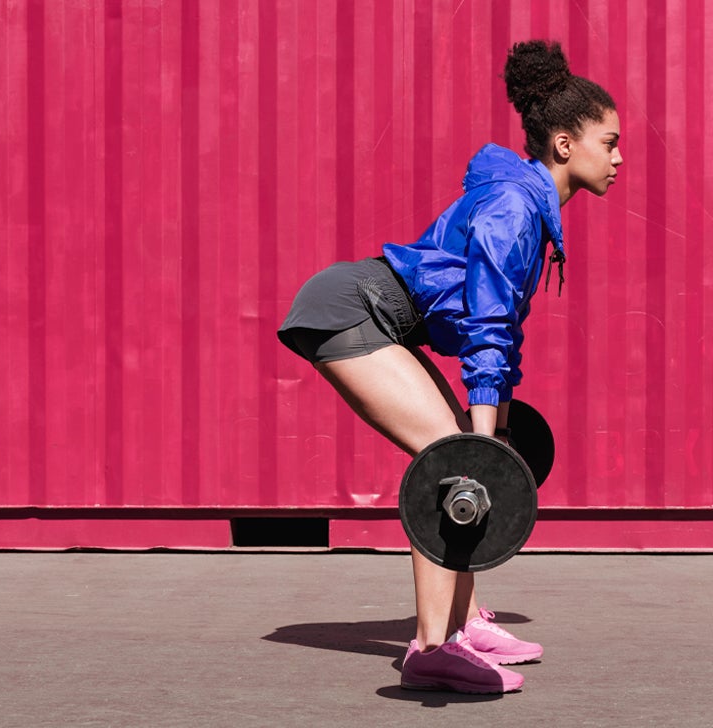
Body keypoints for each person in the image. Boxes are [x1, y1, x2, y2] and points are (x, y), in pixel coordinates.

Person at [277, 39, 622, 694]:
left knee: (460, 452)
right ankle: (433, 647)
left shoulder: (529, 207)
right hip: (352, 309)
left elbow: (499, 332)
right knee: (453, 459)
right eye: (608, 142)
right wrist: (484, 441)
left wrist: (497, 422)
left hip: (381, 316)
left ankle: (462, 621)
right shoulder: (513, 209)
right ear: (565, 145)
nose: (619, 157)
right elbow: (487, 328)